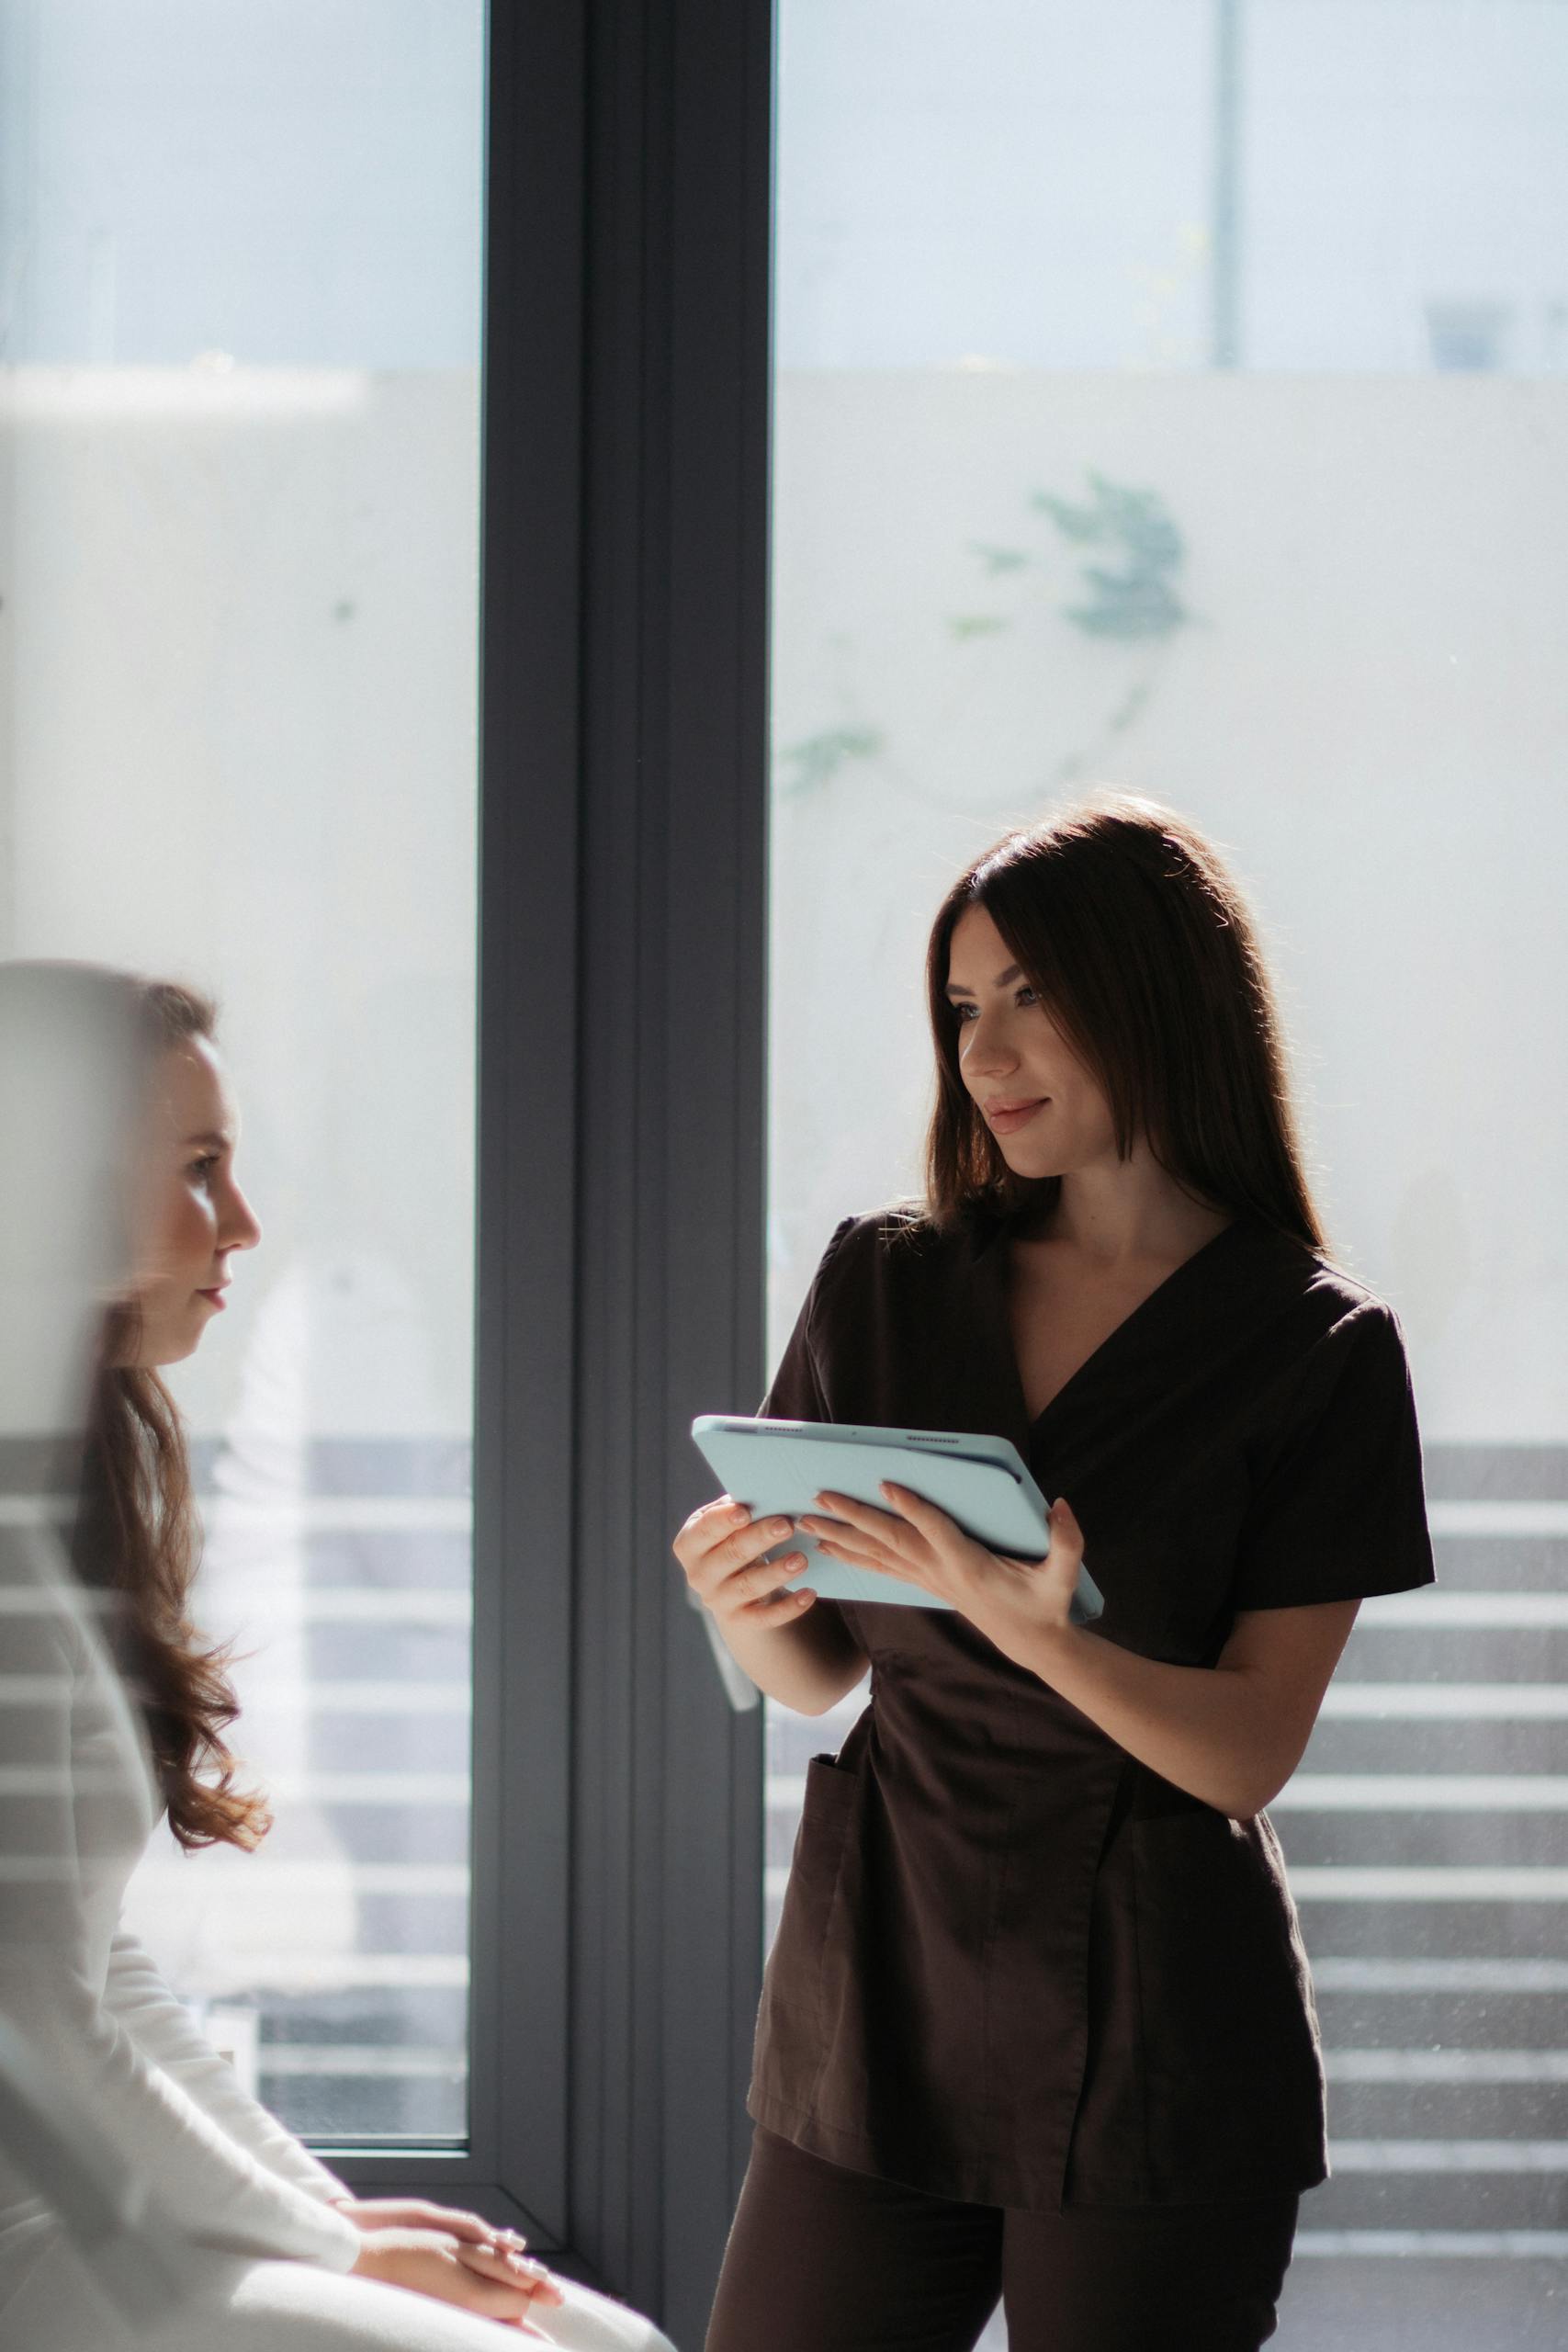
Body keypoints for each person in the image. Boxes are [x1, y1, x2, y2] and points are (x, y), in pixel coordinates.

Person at [677, 799, 1436, 2352]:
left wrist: (1057, 1642)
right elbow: (827, 1672)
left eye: (1034, 996)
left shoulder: (1316, 1346)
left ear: (1162, 993)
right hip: (882, 1987)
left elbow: (1245, 1752)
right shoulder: (884, 1279)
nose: (986, 1052)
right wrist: (738, 1603)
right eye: (964, 1008)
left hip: (1155, 2022)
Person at [0, 962, 674, 2352]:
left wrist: (329, 2215)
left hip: (103, 2215)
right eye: (200, 1170)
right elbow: (44, 2019)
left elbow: (105, 1969)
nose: (242, 1224)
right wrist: (322, 2244)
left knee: (609, 2343)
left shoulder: (82, 1478)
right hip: (44, 2235)